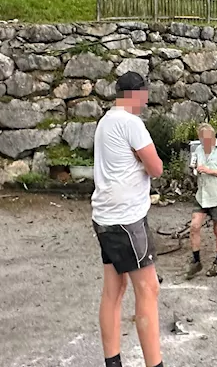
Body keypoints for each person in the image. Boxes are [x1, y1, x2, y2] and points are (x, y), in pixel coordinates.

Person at [91, 72, 164, 367]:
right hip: (127, 220)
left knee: (114, 288)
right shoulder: (131, 123)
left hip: (104, 217)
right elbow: (156, 168)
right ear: (137, 95)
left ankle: (113, 362)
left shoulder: (106, 121)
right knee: (147, 289)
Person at [186, 123, 217, 278]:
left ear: (213, 136)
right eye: (201, 138)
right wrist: (194, 170)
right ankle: (196, 261)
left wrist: (209, 171)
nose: (204, 141)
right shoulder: (198, 150)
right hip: (202, 196)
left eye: (207, 138)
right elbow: (195, 169)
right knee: (194, 226)